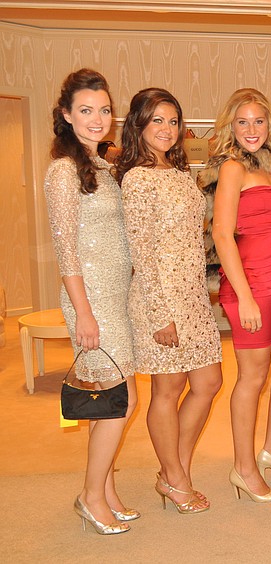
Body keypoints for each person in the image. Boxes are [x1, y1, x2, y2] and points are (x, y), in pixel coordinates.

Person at [116, 88, 223, 514]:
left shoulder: (178, 173)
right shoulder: (138, 178)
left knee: (209, 382)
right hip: (160, 297)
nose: (166, 129)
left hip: (192, 294)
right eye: (157, 120)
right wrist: (161, 313)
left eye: (173, 121)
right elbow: (142, 250)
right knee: (169, 387)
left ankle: (170, 470)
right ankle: (176, 478)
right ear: (139, 125)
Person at [44, 68, 138, 535]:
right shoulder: (63, 171)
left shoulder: (101, 164)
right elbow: (66, 248)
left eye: (103, 110)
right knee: (118, 403)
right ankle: (90, 495)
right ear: (66, 115)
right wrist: (82, 312)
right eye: (86, 110)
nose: (97, 118)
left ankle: (106, 490)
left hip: (118, 296)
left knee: (114, 402)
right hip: (91, 299)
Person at [205, 88, 271, 503]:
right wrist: (244, 297)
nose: (251, 129)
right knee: (251, 377)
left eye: (258, 121)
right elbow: (221, 233)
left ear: (270, 125)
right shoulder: (232, 168)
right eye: (242, 121)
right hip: (251, 285)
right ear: (231, 126)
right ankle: (243, 468)